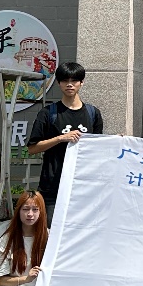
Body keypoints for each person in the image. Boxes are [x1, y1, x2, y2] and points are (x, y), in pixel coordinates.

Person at [27, 61, 104, 225]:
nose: (70, 84)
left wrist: (117, 141)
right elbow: (32, 148)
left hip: (83, 187)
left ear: (81, 83)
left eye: (74, 80)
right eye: (65, 80)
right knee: (51, 231)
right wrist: (60, 138)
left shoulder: (93, 114)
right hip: (52, 187)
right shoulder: (48, 113)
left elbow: (99, 149)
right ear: (58, 83)